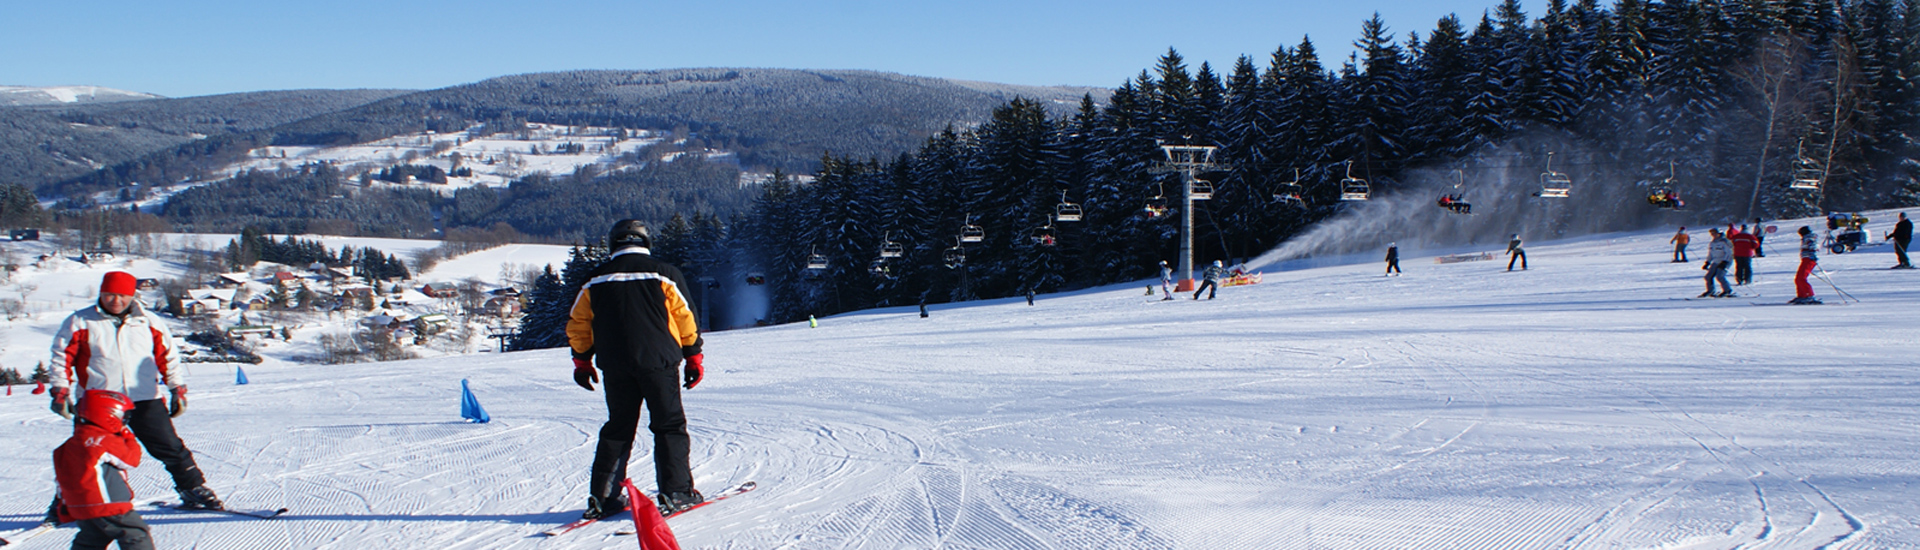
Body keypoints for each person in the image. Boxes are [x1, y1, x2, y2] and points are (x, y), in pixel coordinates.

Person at [566, 220, 707, 519]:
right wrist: (693, 356)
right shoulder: (664, 273)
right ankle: (676, 492)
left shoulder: (594, 279)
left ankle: (604, 498)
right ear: (645, 242)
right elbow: (685, 318)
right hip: (659, 362)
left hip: (615, 365)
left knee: (617, 429)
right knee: (668, 426)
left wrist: (582, 361)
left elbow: (578, 324)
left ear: (613, 244)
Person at [50, 272, 222, 510]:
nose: (116, 300)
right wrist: (60, 392)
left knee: (170, 447)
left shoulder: (149, 321)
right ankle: (68, 502)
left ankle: (192, 488)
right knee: (86, 454)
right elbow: (61, 358)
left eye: (122, 295)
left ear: (132, 296)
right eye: (109, 295)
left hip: (144, 398)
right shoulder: (80, 321)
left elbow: (168, 356)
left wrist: (177, 389)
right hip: (98, 402)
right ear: (101, 293)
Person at [55, 390, 155, 550]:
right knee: (134, 533)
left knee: (92, 537)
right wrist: (128, 438)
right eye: (124, 417)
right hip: (108, 505)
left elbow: (61, 479)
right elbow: (131, 460)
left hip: (80, 507)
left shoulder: (67, 446)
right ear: (109, 415)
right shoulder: (104, 441)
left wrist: (63, 503)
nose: (124, 422)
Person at [1792, 226, 1821, 304]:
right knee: (1798, 278)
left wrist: (1812, 254)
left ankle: (1809, 295)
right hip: (1805, 259)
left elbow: (1813, 246)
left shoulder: (1809, 238)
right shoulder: (1806, 238)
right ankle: (1802, 295)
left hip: (1809, 259)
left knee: (1801, 278)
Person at [1701, 228, 1734, 297]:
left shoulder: (1725, 242)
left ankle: (1727, 290)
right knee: (1708, 277)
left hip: (1724, 261)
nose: (1713, 235)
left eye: (1715, 233)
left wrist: (1725, 262)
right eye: (1712, 234)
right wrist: (1707, 262)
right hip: (1716, 261)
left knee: (1720, 276)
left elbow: (1729, 253)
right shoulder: (1712, 243)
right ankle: (1710, 291)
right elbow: (1710, 253)